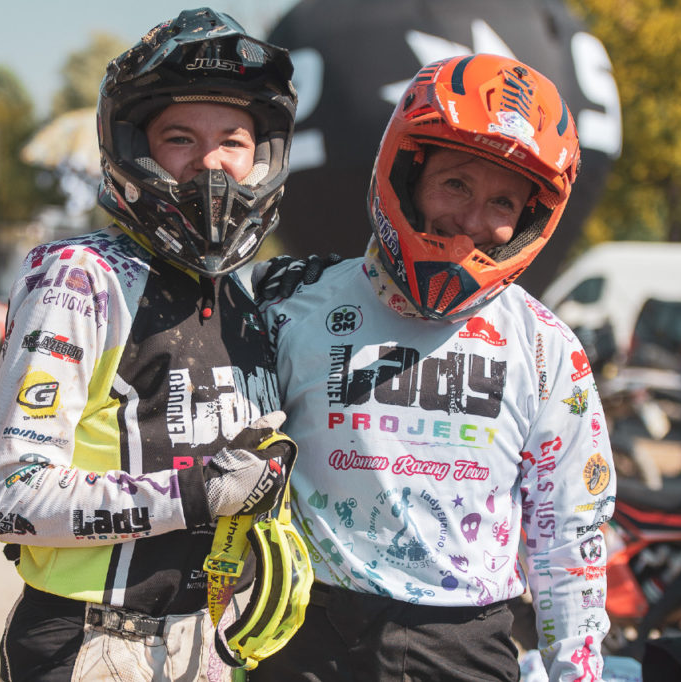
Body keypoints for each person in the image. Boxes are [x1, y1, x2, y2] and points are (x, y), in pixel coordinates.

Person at [251, 54, 615, 681]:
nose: (474, 220)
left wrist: (576, 673)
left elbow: (568, 540)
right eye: (456, 185)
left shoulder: (547, 347)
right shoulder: (292, 307)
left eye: (503, 199)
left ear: (531, 214)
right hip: (304, 639)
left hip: (464, 648)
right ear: (407, 172)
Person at [0, 8, 299, 681]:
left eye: (234, 141)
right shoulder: (80, 275)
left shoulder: (245, 298)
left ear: (262, 157)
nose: (211, 165)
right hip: (89, 646)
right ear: (135, 148)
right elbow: (8, 497)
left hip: (211, 646)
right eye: (180, 138)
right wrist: (195, 493)